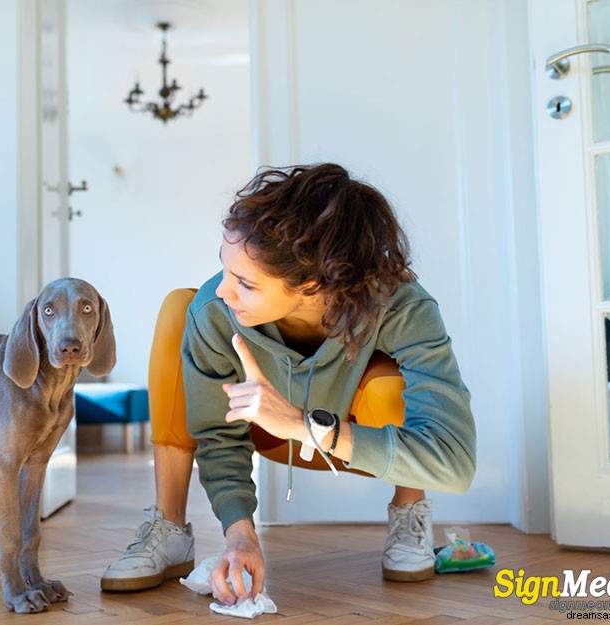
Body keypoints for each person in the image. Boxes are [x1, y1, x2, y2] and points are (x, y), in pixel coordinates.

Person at [100, 163, 476, 604]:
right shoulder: (216, 311)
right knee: (181, 310)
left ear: (313, 284)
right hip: (263, 435)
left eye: (244, 283)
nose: (224, 291)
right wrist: (241, 533)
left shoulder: (403, 306)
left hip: (359, 443)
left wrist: (304, 425)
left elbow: (455, 464)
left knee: (389, 381)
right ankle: (169, 525)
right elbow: (218, 438)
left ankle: (409, 511)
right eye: (225, 270)